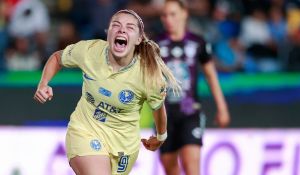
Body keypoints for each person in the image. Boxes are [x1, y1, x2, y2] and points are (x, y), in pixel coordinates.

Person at [33, 9, 180, 175]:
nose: (121, 30)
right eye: (116, 25)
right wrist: (43, 83)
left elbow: (158, 108)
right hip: (85, 131)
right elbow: (58, 58)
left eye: (129, 27)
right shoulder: (90, 51)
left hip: (124, 147)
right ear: (108, 33)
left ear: (139, 39)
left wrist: (161, 137)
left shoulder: (148, 74)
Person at [156, 1, 231, 175]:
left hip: (191, 113)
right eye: (164, 15)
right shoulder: (155, 44)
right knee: (169, 166)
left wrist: (222, 108)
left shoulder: (198, 42)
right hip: (164, 116)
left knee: (191, 163)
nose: (168, 19)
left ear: (184, 13)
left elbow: (211, 75)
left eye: (173, 14)